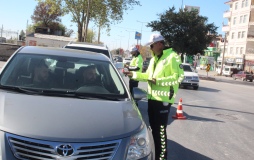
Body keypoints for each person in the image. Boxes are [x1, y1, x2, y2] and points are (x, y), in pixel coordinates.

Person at [124, 34, 184, 160]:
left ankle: (162, 158)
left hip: (163, 100)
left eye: (151, 46)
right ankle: (157, 156)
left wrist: (158, 81)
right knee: (154, 131)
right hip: (152, 99)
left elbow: (179, 77)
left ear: (159, 44)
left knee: (160, 132)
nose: (150, 49)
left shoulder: (172, 57)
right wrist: (133, 74)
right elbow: (147, 76)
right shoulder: (154, 59)